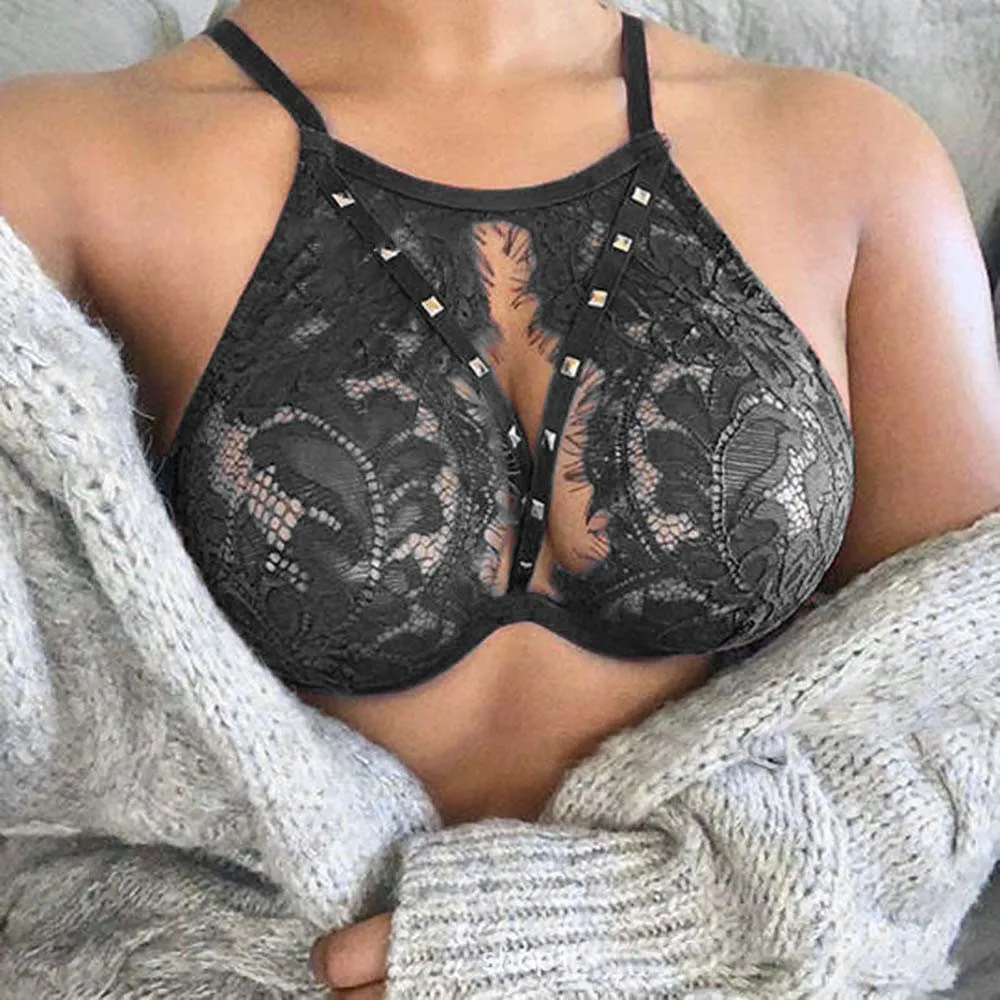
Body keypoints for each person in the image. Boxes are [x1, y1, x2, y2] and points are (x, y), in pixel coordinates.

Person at [1, 1, 999, 995]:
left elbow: (962, 704)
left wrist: (638, 924)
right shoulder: (49, 165)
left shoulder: (850, 154)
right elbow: (38, 774)